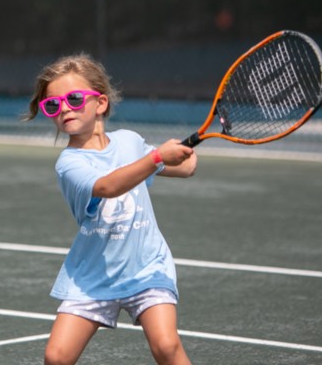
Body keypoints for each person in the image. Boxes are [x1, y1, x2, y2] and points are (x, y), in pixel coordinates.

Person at [25, 53, 196, 364]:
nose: (64, 108)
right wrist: (158, 157)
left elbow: (183, 168)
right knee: (56, 356)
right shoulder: (69, 163)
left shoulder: (129, 141)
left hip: (147, 267)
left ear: (100, 103)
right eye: (53, 105)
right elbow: (108, 186)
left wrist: (184, 157)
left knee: (167, 346)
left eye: (74, 99)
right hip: (93, 275)